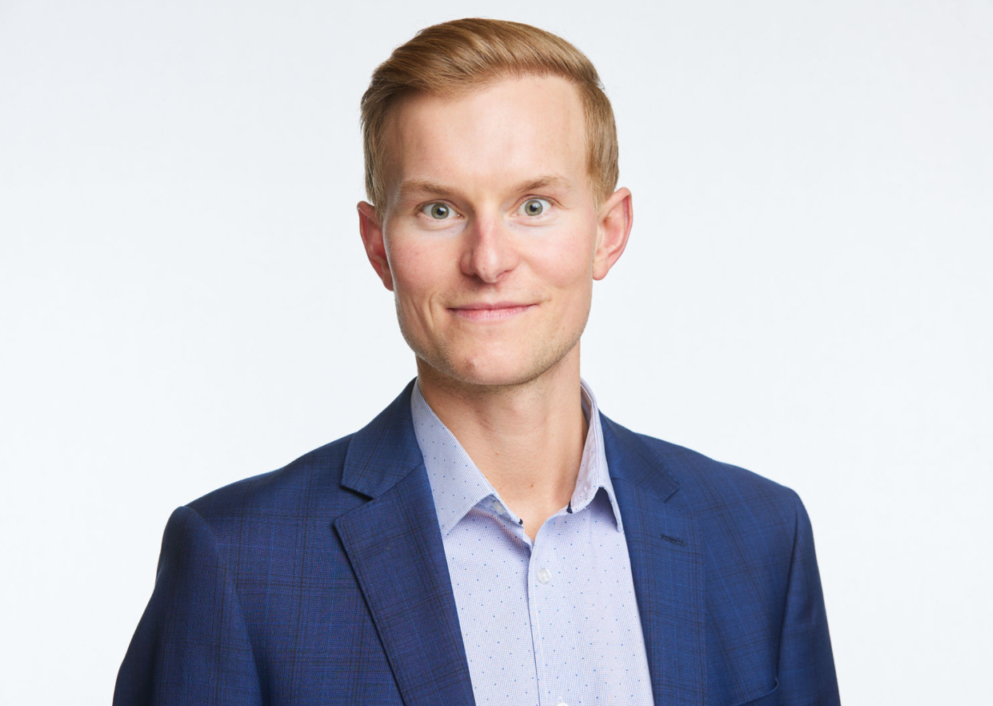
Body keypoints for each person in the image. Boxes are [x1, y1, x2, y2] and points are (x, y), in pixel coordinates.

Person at [114, 18, 840, 706]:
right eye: (439, 210)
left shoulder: (758, 539)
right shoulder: (239, 565)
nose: (488, 260)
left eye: (534, 205)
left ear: (608, 233)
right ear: (378, 246)